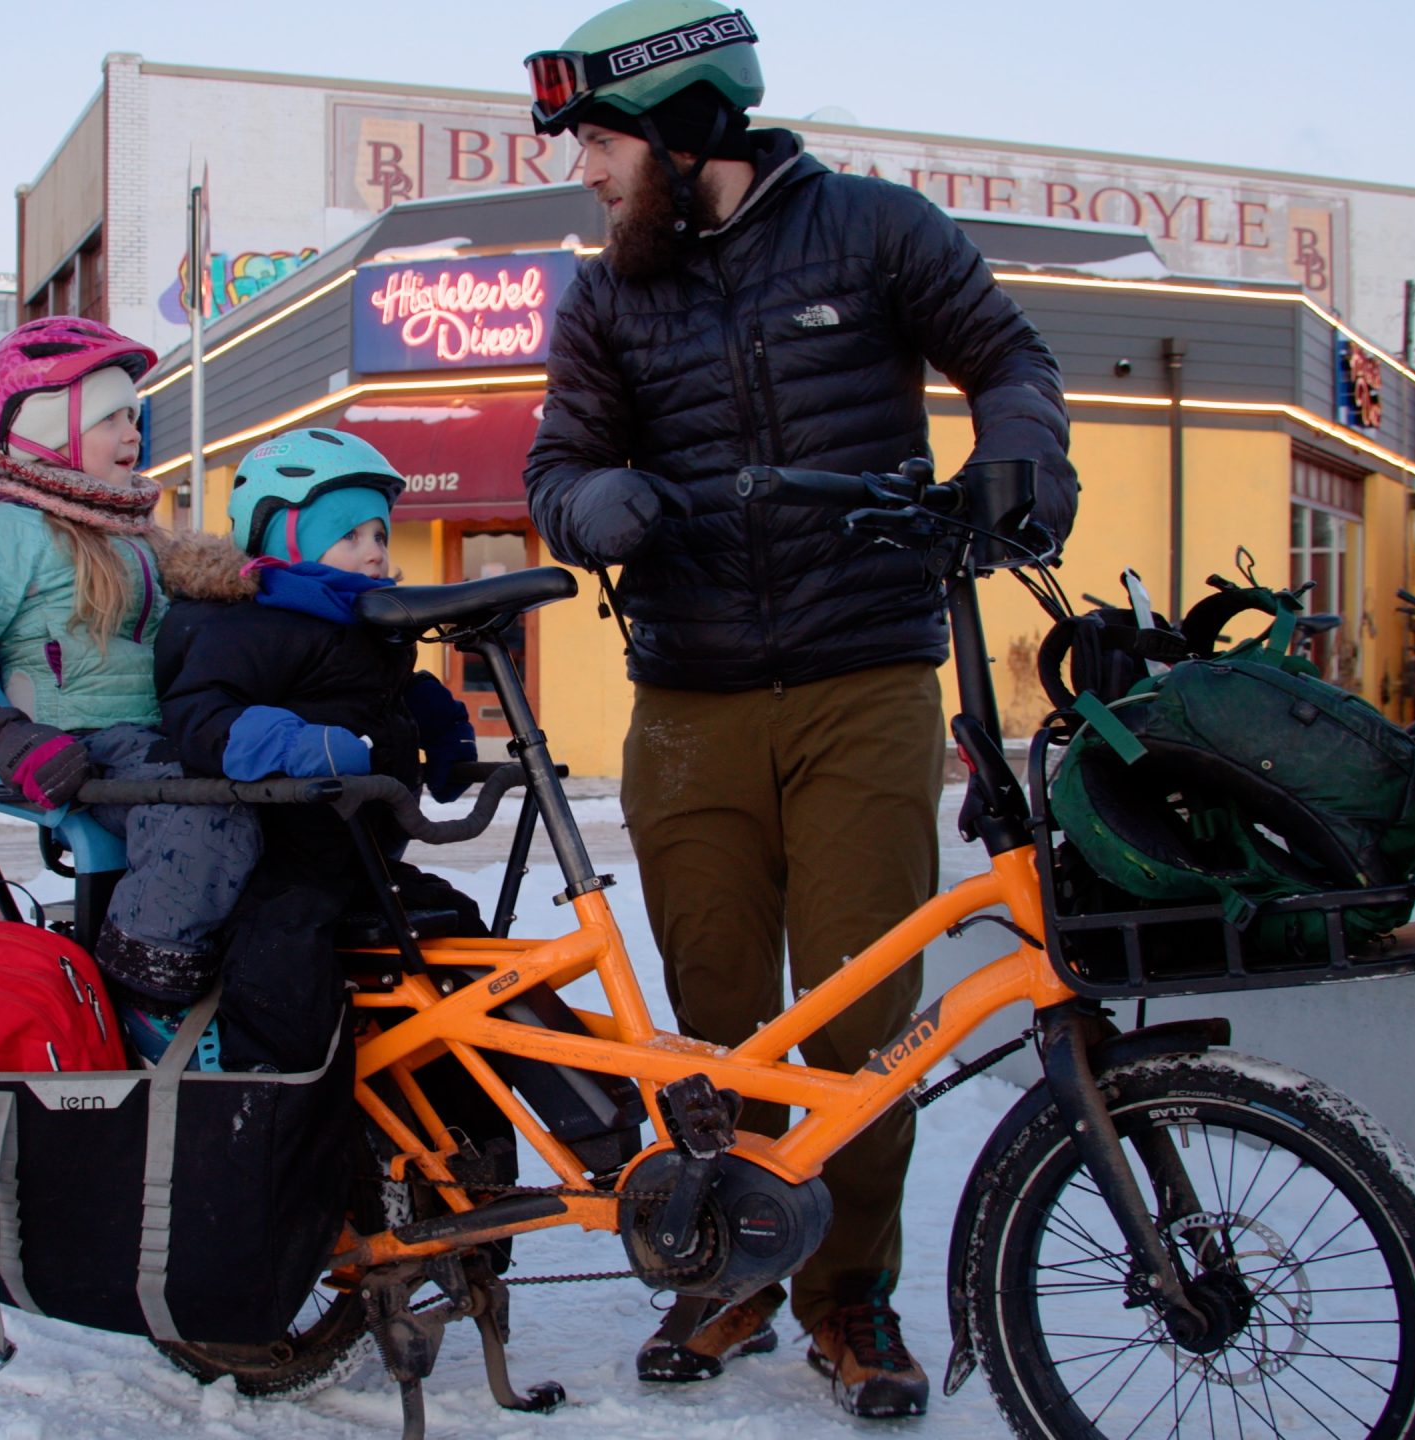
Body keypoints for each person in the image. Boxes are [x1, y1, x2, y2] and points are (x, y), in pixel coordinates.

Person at [519, 0, 1079, 1420]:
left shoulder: (879, 232)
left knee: (862, 1026)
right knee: (716, 1025)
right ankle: (731, 1280)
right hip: (689, 700)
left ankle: (851, 1304)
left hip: (866, 682)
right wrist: (594, 505)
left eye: (598, 138)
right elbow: (554, 473)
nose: (583, 171)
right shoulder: (608, 297)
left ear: (689, 122)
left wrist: (1017, 459)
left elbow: (1010, 361)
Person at [0, 316, 258, 1010]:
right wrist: (5, 736)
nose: (134, 436)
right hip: (83, 744)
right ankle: (133, 988)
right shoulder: (2, 529)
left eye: (133, 416)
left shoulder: (135, 532)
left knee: (271, 796)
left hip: (164, 734)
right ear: (47, 428)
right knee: (204, 811)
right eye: (111, 419)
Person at [153, 428, 483, 1072]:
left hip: (362, 867)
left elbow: (378, 699)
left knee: (460, 944)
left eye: (381, 535)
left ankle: (463, 1143)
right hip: (277, 874)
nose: (374, 554)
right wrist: (293, 744)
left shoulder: (371, 628)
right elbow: (199, 715)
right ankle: (283, 1138)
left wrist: (437, 726)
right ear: (285, 537)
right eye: (350, 534)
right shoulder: (239, 623)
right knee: (287, 995)